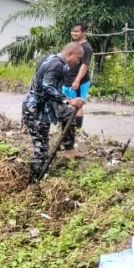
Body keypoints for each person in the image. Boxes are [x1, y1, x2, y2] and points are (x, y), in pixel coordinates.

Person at [22, 43, 86, 182]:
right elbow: (47, 88)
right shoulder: (56, 65)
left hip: (45, 106)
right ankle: (33, 184)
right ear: (70, 54)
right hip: (36, 111)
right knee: (41, 150)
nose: (78, 62)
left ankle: (69, 149)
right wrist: (69, 101)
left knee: (68, 113)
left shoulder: (52, 59)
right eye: (78, 58)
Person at [61, 23, 94, 156]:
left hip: (78, 81)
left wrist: (77, 80)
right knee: (67, 102)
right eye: (72, 31)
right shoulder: (73, 46)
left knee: (78, 104)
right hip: (68, 79)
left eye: (77, 31)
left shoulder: (87, 48)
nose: (74, 33)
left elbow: (85, 65)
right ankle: (68, 127)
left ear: (84, 32)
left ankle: (76, 129)